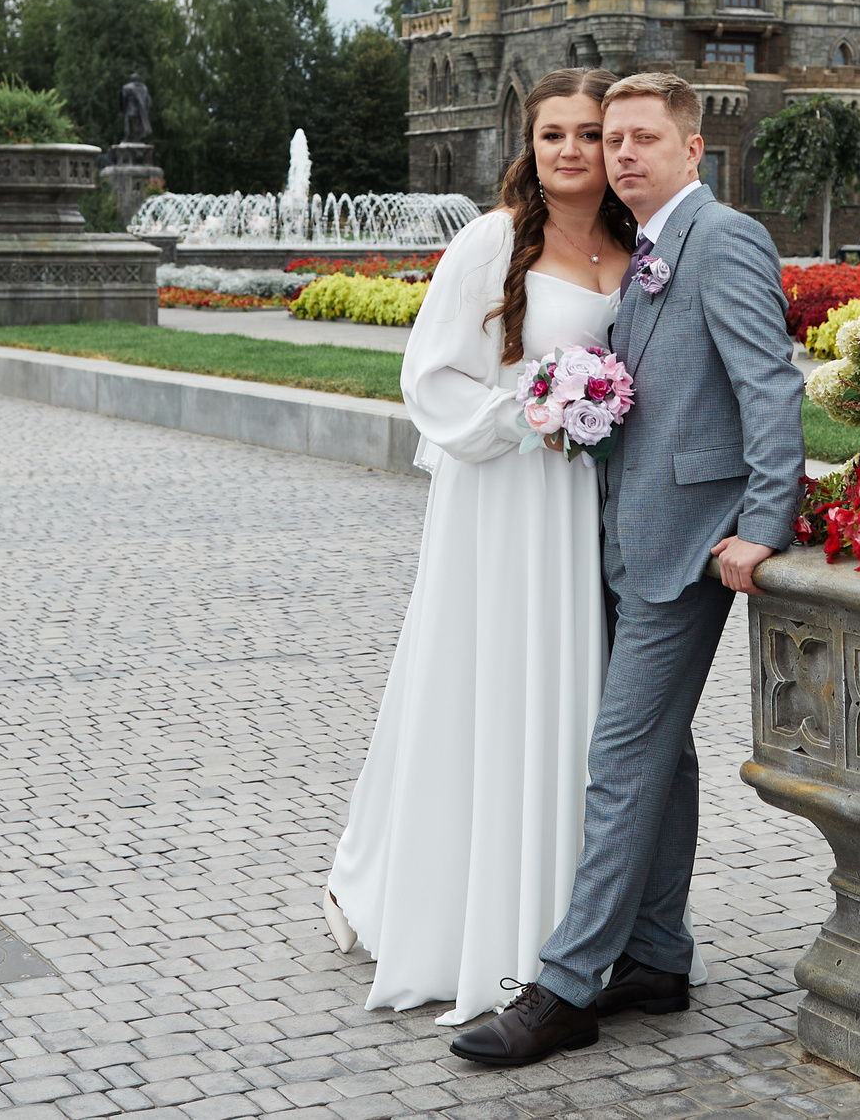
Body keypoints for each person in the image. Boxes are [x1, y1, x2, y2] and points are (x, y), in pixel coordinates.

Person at [450, 70, 804, 1067]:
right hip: (626, 533)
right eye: (614, 141)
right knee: (663, 755)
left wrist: (761, 528)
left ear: (692, 149)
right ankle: (655, 952)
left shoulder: (721, 236)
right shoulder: (647, 248)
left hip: (692, 545)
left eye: (643, 138)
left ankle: (566, 985)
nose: (622, 155)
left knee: (618, 757)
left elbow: (769, 386)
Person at [324, 69, 641, 1025]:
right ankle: (470, 909)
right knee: (493, 682)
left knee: (578, 697)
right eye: (555, 135)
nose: (575, 151)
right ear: (530, 143)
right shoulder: (492, 242)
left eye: (590, 133)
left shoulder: (638, 247)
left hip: (590, 501)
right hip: (507, 495)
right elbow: (431, 377)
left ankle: (576, 915)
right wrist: (530, 412)